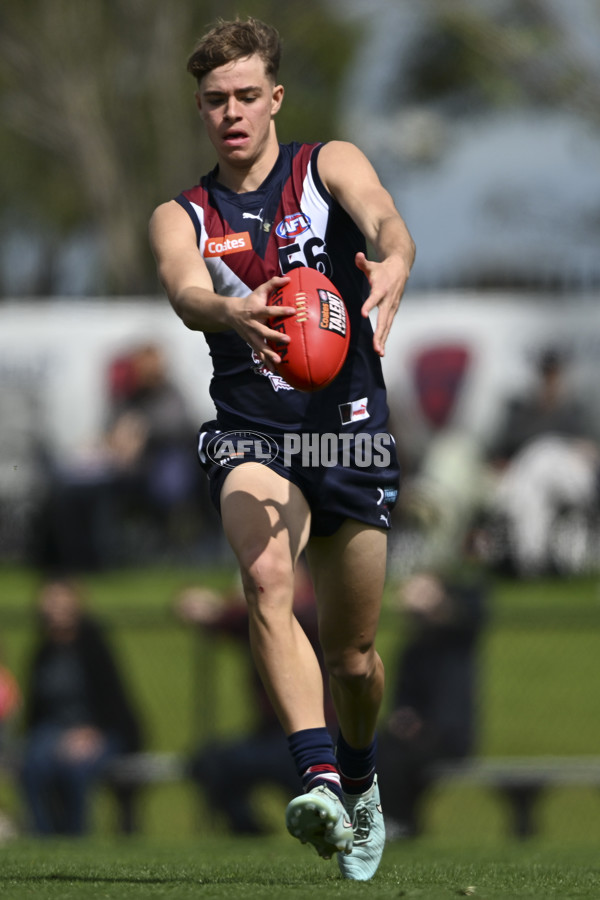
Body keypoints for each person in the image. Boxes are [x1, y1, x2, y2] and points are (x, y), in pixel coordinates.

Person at [149, 16, 415, 881]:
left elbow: (384, 219)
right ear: (202, 108)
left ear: (276, 99)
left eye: (246, 97)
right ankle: (319, 778)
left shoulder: (324, 165)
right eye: (216, 100)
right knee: (265, 575)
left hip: (351, 431)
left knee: (355, 658)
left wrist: (395, 259)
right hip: (251, 431)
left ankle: (363, 772)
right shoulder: (184, 213)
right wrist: (234, 310)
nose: (232, 112)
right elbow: (189, 292)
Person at [176, 564, 338, 835]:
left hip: (323, 732)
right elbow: (224, 621)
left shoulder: (315, 611)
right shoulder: (253, 620)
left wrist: (227, 608)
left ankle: (327, 831)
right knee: (210, 763)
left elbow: (292, 616)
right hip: (271, 733)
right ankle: (251, 834)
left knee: (305, 776)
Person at [20, 580, 142, 835]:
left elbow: (114, 704)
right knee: (33, 765)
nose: (53, 610)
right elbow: (35, 711)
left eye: (60, 603)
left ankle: (76, 839)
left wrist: (91, 733)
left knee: (75, 770)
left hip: (100, 731)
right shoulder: (43, 651)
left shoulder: (94, 647)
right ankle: (44, 839)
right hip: (53, 731)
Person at [378, 572, 487, 839]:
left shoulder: (458, 641)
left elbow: (478, 604)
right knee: (378, 749)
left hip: (450, 738)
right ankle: (397, 822)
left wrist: (439, 594)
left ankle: (401, 823)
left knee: (398, 760)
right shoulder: (412, 652)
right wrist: (404, 721)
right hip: (416, 738)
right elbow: (402, 702)